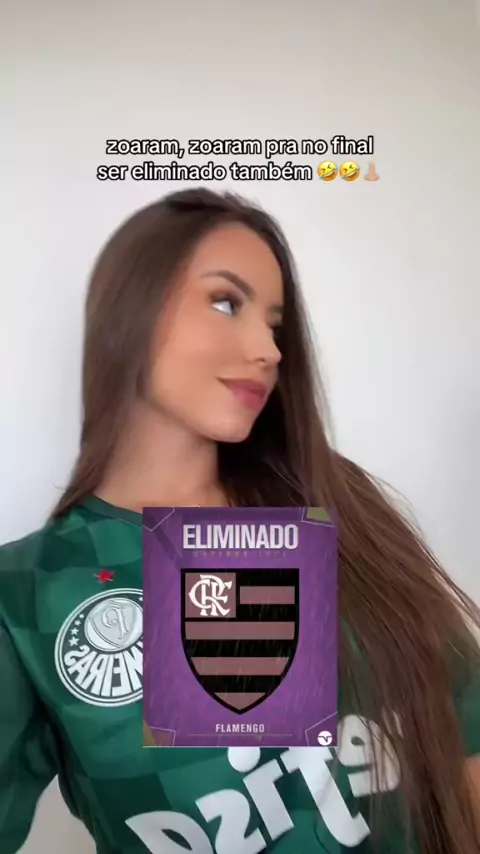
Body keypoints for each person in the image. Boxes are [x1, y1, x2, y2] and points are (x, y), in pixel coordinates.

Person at [0, 187, 479, 854]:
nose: (268, 350)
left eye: (275, 324)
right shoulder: (29, 590)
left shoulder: (330, 496)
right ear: (130, 307)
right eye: (226, 302)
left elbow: (464, 729)